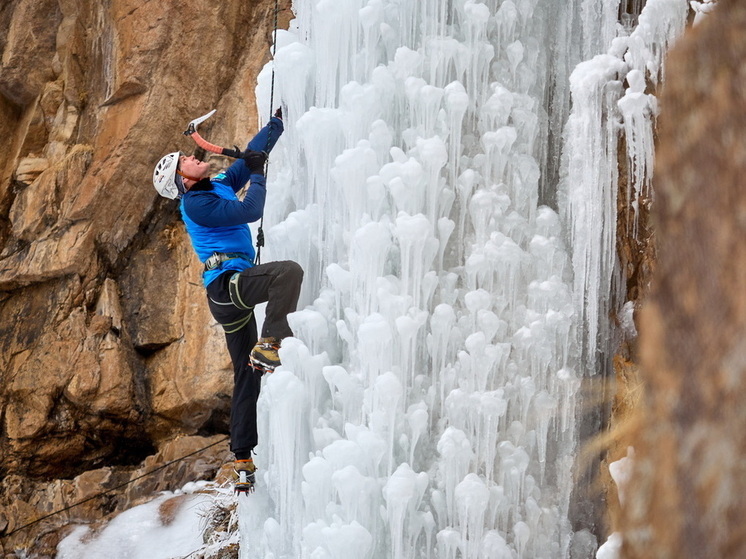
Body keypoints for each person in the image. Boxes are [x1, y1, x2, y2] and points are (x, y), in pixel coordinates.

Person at [152, 110, 303, 491]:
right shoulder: (195, 205)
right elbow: (251, 209)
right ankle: (270, 343)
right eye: (184, 161)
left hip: (228, 289)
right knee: (286, 273)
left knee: (245, 372)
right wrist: (255, 174)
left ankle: (242, 457)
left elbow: (250, 155)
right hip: (227, 285)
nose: (192, 157)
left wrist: (276, 125)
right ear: (182, 181)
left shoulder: (216, 183)